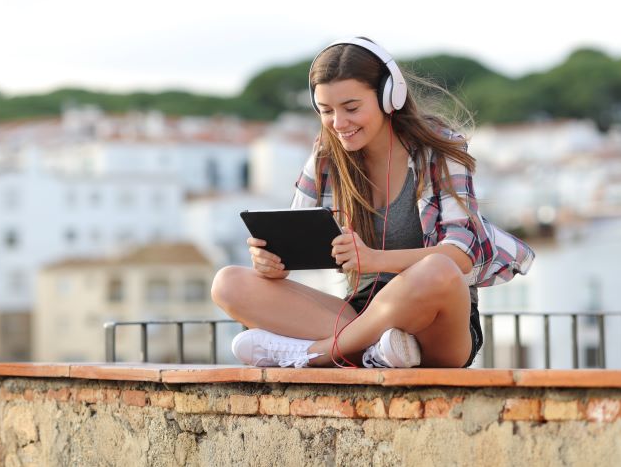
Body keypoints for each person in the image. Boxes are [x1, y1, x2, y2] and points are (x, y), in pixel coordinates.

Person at [211, 36, 535, 369]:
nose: (339, 123)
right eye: (326, 111)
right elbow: (294, 240)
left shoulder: (439, 150)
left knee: (438, 269)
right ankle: (379, 352)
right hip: (363, 314)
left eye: (351, 108)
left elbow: (461, 256)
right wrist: (273, 262)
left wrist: (374, 258)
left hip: (438, 321)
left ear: (388, 97)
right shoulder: (326, 157)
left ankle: (316, 354)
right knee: (228, 283)